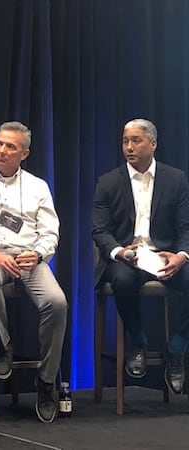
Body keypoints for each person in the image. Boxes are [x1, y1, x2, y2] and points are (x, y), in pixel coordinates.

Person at [0, 121, 68, 423]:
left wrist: (39, 253)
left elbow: (50, 231)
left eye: (10, 147)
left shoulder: (37, 186)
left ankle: (46, 383)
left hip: (29, 260)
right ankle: (4, 346)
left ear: (24, 153)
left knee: (57, 303)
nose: (2, 151)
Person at [93, 118, 189, 394]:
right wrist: (120, 251)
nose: (129, 147)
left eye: (136, 141)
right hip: (127, 257)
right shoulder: (108, 182)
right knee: (122, 280)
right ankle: (138, 340)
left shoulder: (176, 179)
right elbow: (100, 231)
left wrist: (181, 255)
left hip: (164, 255)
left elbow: (185, 227)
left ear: (153, 144)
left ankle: (178, 346)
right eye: (125, 141)